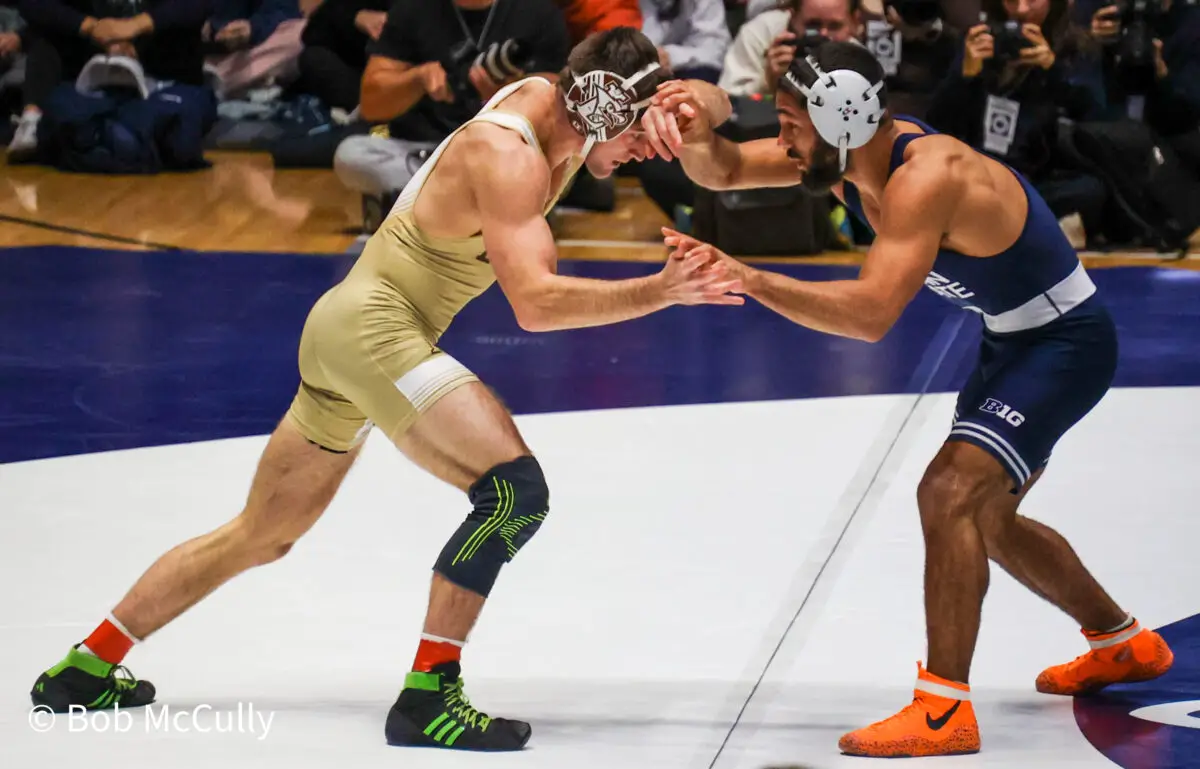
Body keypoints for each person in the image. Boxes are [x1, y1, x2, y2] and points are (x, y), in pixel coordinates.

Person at [28, 26, 743, 754]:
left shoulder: (558, 100)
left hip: (346, 331)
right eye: (638, 135)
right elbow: (535, 303)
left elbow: (713, 107)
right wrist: (661, 292)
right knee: (512, 492)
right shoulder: (511, 156)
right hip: (375, 330)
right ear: (601, 111)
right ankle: (429, 696)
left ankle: (85, 666)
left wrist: (686, 100)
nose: (645, 155)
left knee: (262, 533)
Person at [642, 40, 1174, 758]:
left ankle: (942, 710)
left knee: (948, 491)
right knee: (985, 516)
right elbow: (727, 171)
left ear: (840, 121)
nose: (785, 137)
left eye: (794, 122)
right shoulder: (843, 158)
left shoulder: (926, 177)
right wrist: (701, 133)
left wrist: (751, 277)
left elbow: (868, 316)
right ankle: (1122, 643)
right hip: (1012, 338)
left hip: (1064, 344)